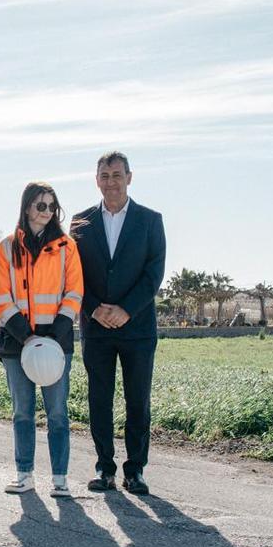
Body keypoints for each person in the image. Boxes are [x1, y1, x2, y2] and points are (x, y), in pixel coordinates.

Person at [71, 151, 166, 495]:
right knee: (99, 399)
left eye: (116, 174)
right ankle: (104, 467)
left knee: (137, 400)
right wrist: (95, 309)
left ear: (129, 177)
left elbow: (153, 273)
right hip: (95, 328)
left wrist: (126, 309)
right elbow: (74, 274)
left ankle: (135, 470)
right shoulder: (80, 223)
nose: (111, 181)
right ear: (96, 180)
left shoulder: (150, 220)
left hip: (138, 328)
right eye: (104, 175)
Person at [0, 182, 83, 498]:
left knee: (57, 412)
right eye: (40, 205)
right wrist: (27, 336)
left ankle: (59, 478)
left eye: (51, 206)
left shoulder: (67, 247)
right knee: (22, 411)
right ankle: (24, 474)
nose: (46, 212)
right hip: (18, 342)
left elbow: (74, 292)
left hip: (56, 341)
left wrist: (54, 335)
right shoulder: (5, 248)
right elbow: (1, 297)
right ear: (27, 206)